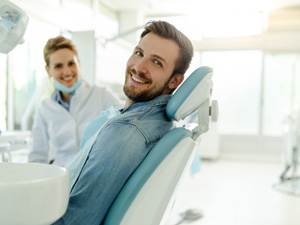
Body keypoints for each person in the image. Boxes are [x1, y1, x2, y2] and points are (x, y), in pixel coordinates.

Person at [52, 20, 194, 225]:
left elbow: (75, 220)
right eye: (139, 53)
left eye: (157, 62)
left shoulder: (128, 130)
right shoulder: (154, 121)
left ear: (174, 81)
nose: (139, 67)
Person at [28, 36, 122, 167]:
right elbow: (37, 156)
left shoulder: (101, 95)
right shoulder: (45, 108)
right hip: (61, 176)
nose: (67, 71)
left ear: (78, 63)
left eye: (71, 63)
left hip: (94, 171)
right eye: (58, 66)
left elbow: (126, 121)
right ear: (48, 70)